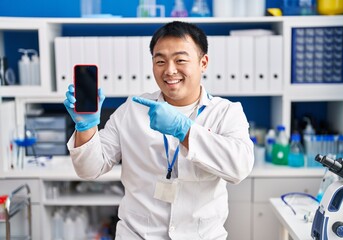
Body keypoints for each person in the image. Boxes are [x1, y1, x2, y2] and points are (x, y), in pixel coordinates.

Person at [64, 21, 254, 240]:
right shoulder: (132, 110)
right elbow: (90, 169)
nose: (170, 70)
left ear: (203, 63)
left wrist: (185, 131)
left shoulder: (226, 112)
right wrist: (86, 126)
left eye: (180, 60)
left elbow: (239, 167)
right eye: (160, 61)